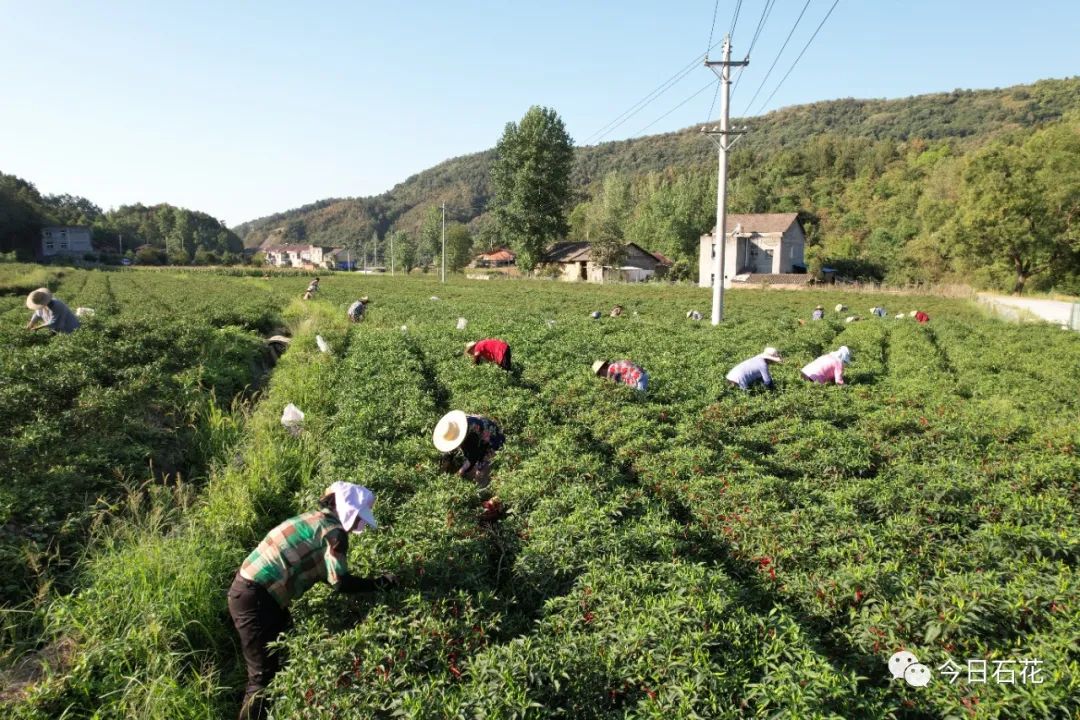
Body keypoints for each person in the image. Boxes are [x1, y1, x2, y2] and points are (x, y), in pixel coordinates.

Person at [228, 482, 395, 720]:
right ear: (348, 510)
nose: (360, 523)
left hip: (252, 591)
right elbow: (341, 582)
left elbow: (323, 570)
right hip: (256, 597)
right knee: (262, 676)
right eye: (359, 516)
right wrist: (381, 583)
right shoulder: (334, 533)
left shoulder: (315, 518)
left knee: (284, 645)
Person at [433, 410, 505, 487]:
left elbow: (472, 457)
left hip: (491, 438)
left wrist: (460, 472)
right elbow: (448, 452)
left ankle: (484, 485)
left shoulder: (471, 435)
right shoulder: (455, 426)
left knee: (480, 472)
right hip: (479, 433)